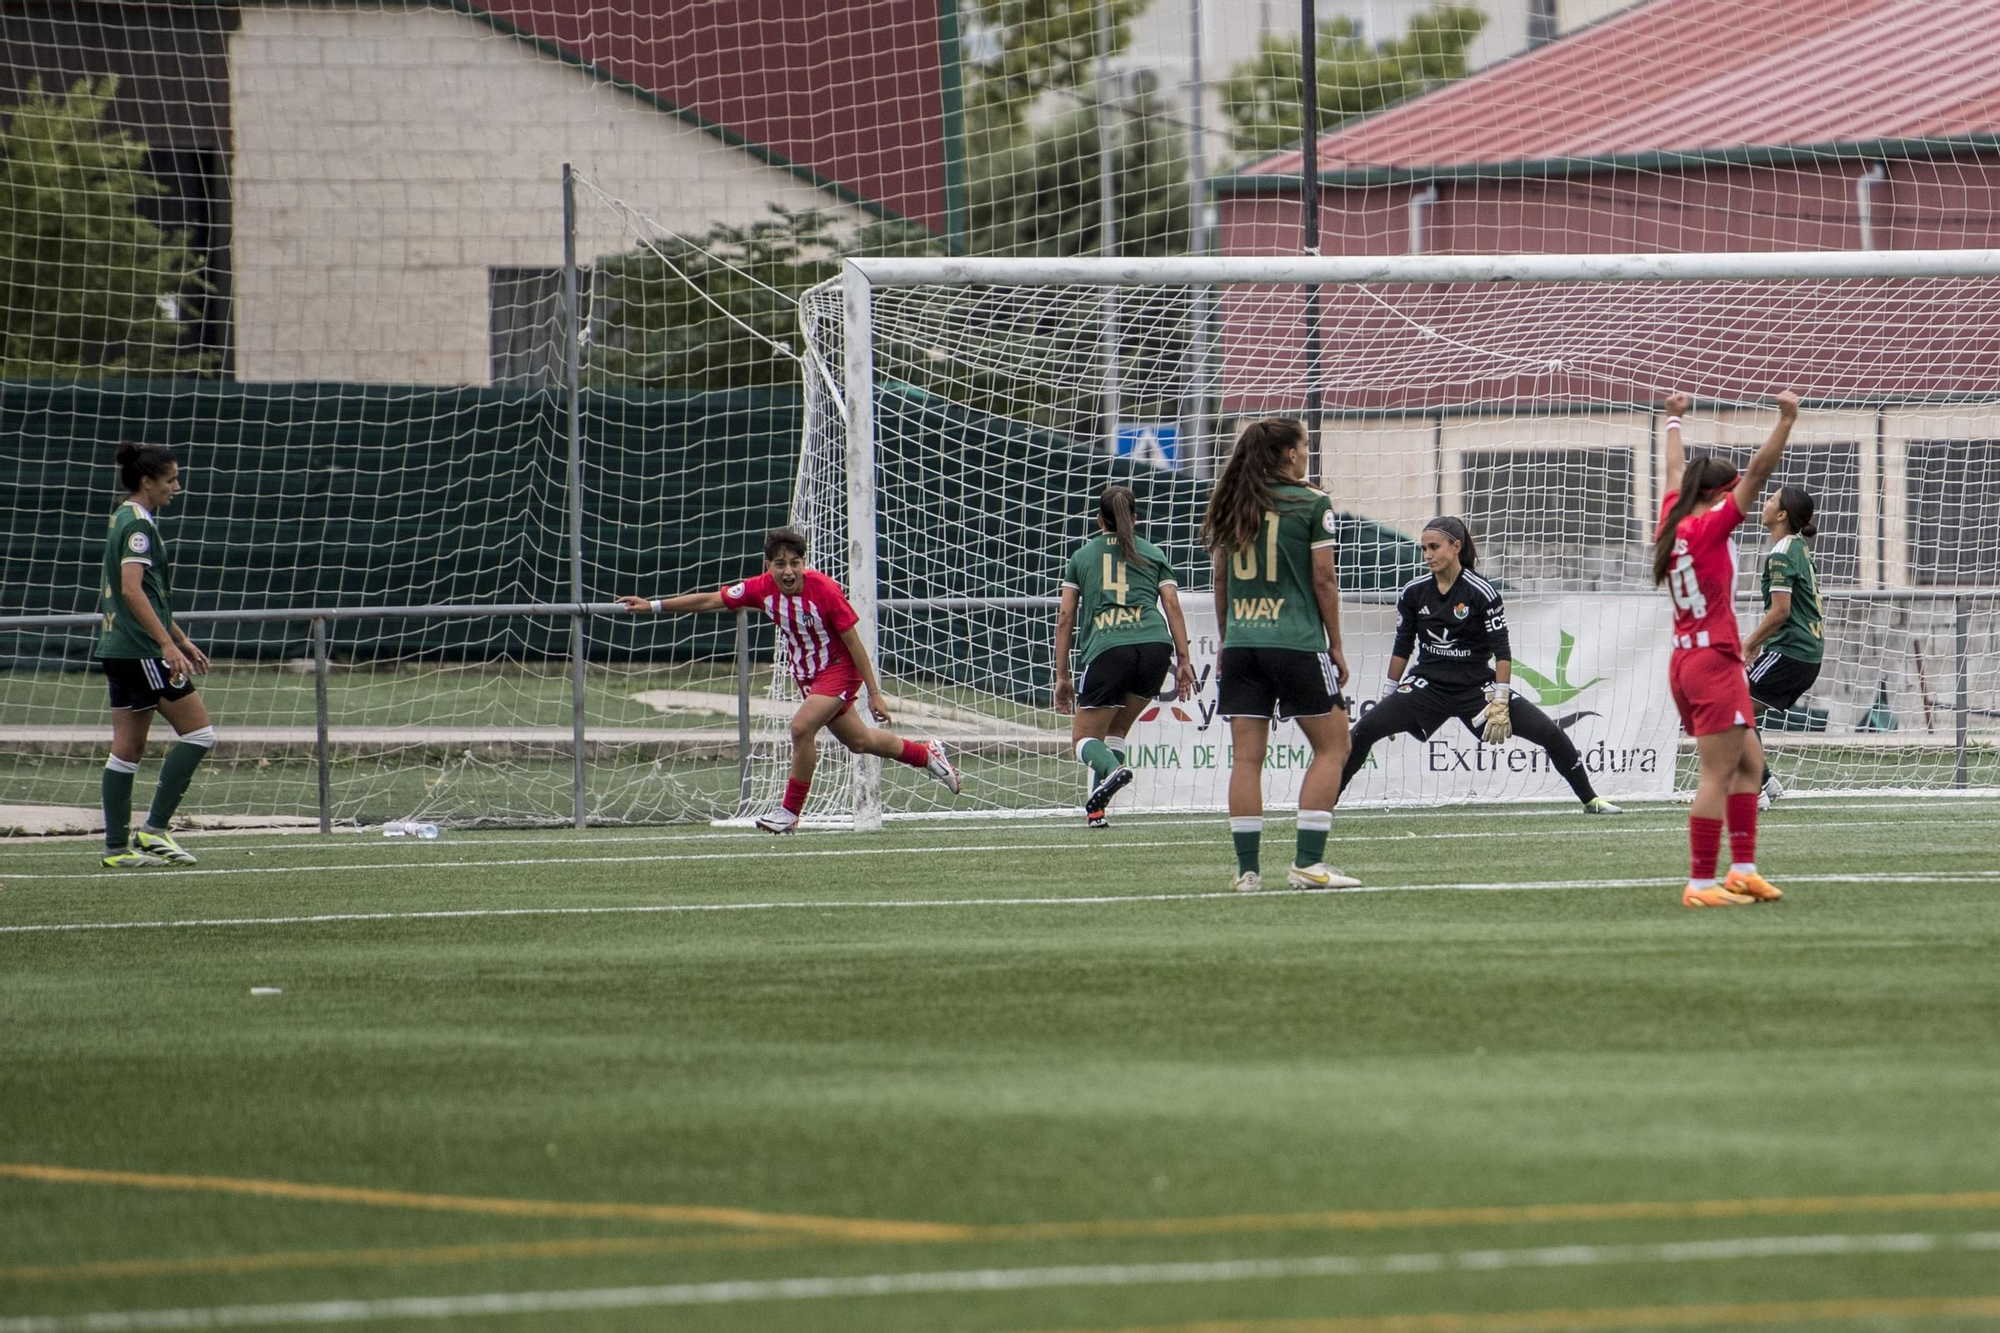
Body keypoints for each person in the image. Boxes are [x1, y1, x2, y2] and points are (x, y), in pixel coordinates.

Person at [618, 527, 960, 832]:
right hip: (808, 675)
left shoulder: (824, 589)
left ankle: (789, 812)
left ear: (804, 563)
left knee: (800, 728)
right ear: (768, 566)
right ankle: (927, 754)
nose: (788, 570)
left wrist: (874, 692)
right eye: (780, 564)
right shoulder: (759, 589)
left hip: (840, 668)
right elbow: (711, 599)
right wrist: (654, 606)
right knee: (859, 741)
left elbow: (855, 642)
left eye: (795, 562)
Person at [1338, 516, 1623, 815]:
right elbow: (1402, 646)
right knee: (1364, 730)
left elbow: (1502, 651)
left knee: (1550, 734)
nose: (1428, 555)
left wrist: (1500, 698)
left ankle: (1591, 800)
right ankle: (1326, 803)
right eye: (1424, 549)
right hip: (1427, 686)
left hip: (1476, 688)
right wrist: (1389, 693)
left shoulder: (1481, 592)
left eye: (1434, 547)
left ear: (1456, 546)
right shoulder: (1414, 592)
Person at [1201, 418, 1360, 893]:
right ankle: (1308, 864)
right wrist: (1335, 643)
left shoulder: (1232, 503)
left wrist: (1230, 638)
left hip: (1243, 644)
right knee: (1334, 747)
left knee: (1247, 759)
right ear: (1289, 454)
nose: (1307, 453)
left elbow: (1221, 581)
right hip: (1295, 642)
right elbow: (1324, 580)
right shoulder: (1311, 502)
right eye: (1305, 446)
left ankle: (1247, 872)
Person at [1654, 390, 1799, 907]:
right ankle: (1699, 883)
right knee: (1718, 773)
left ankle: (1742, 870)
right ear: (1717, 494)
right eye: (1731, 493)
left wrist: (1673, 421)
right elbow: (1759, 472)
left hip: (1691, 659)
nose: (1740, 499)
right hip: (1712, 659)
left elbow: (1672, 471)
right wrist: (1786, 420)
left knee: (1749, 767)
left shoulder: (1672, 518)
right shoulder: (1709, 527)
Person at [95, 443, 216, 868]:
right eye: (170, 480)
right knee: (200, 734)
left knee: (127, 748)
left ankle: (114, 850)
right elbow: (131, 589)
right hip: (142, 650)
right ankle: (154, 829)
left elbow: (147, 594)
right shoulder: (138, 527)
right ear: (147, 482)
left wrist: (179, 637)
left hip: (118, 648)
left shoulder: (123, 517)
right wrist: (166, 645)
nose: (176, 487)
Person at [1053, 486, 1197, 829]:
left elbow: (1065, 618)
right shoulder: (1152, 552)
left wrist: (1062, 676)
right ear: (1134, 518)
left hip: (1109, 648)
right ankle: (1096, 811)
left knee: (1083, 740)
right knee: (1116, 730)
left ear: (1099, 519)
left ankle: (1112, 770)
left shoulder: (1082, 556)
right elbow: (1172, 605)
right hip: (1154, 649)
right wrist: (1184, 661)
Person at [1743, 485, 1824, 808]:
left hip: (1792, 652)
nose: (1765, 502)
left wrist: (1749, 642)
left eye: (1772, 499)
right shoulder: (1798, 548)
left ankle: (1755, 790)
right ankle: (1766, 783)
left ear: (1781, 515)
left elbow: (1781, 611)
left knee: (1734, 711)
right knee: (1742, 712)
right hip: (1802, 652)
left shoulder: (1781, 553)